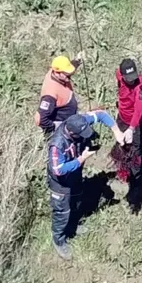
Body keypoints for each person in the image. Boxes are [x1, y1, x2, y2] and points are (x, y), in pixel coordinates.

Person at [47, 110, 123, 260]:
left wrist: (116, 131)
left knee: (76, 202)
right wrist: (81, 159)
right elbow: (58, 169)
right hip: (61, 184)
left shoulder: (79, 121)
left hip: (75, 177)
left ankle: (72, 227)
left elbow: (101, 115)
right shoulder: (57, 145)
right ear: (72, 133)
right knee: (62, 212)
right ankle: (59, 240)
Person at [111, 58, 142, 213]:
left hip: (137, 123)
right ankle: (124, 172)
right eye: (128, 78)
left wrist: (132, 128)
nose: (131, 80)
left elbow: (139, 109)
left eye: (133, 76)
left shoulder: (141, 86)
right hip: (122, 118)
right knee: (122, 147)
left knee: (137, 152)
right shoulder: (118, 76)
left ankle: (137, 183)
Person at [35, 55, 83, 136]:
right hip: (60, 131)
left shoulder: (56, 71)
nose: (69, 76)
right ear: (57, 73)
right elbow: (40, 119)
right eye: (67, 74)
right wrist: (56, 127)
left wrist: (77, 60)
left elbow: (68, 68)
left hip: (69, 121)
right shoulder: (50, 94)